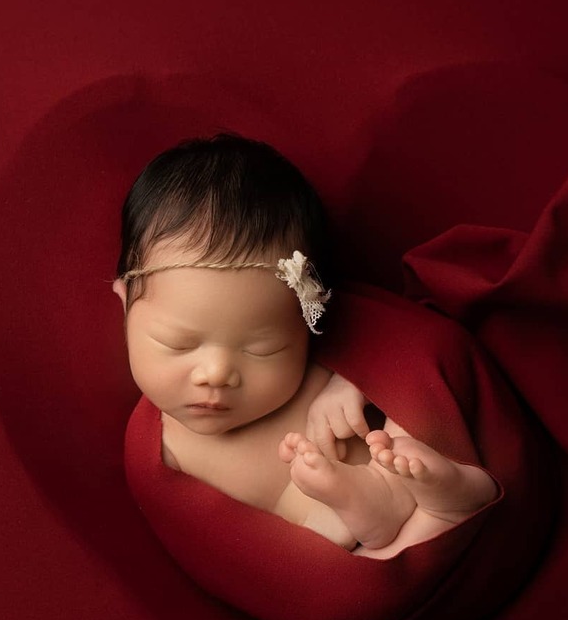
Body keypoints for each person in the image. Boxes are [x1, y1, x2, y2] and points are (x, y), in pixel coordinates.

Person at [112, 133, 499, 558]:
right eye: (178, 343)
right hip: (346, 545)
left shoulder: (326, 343)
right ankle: (423, 516)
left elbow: (414, 346)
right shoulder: (164, 455)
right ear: (125, 304)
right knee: (359, 565)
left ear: (308, 321)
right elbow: (226, 552)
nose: (217, 374)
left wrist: (354, 383)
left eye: (263, 348)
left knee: (419, 401)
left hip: (413, 462)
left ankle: (451, 494)